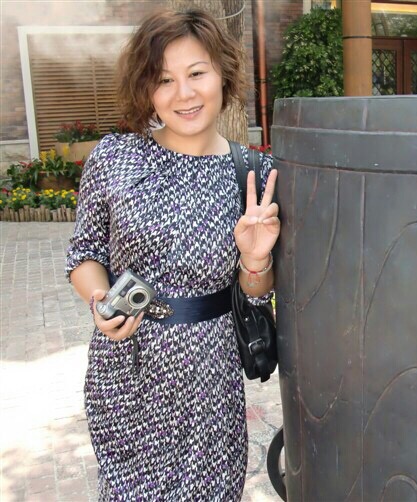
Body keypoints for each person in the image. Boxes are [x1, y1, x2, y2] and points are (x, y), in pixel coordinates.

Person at [65, 8, 280, 500]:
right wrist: (100, 301)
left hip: (210, 380)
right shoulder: (116, 157)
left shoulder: (252, 174)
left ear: (223, 74)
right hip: (127, 369)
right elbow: (85, 252)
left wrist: (255, 261)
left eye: (197, 73)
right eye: (164, 80)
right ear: (147, 90)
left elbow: (255, 297)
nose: (184, 94)